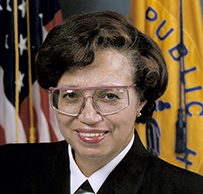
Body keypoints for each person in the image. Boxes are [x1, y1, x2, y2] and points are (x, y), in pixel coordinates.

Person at [0, 11, 203, 194]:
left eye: (109, 96)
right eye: (71, 95)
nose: (88, 117)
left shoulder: (189, 190)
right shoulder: (8, 167)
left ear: (142, 100)